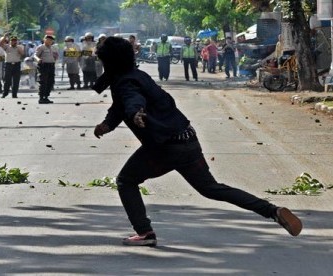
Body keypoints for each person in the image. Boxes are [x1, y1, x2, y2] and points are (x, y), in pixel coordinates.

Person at [92, 36, 302, 247]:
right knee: (211, 188)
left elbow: (131, 100)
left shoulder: (125, 81)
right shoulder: (137, 75)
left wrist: (136, 112)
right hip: (187, 140)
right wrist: (107, 125)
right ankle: (272, 211)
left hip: (166, 147)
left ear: (109, 61)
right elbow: (120, 106)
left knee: (126, 181)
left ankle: (144, 232)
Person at [34, 35, 58, 103]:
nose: (49, 41)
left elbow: (56, 55)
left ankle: (46, 97)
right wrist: (38, 59)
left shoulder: (53, 48)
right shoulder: (41, 47)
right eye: (47, 39)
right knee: (43, 82)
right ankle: (41, 98)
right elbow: (35, 55)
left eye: (51, 40)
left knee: (51, 82)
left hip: (51, 66)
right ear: (44, 40)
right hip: (43, 66)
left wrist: (55, 59)